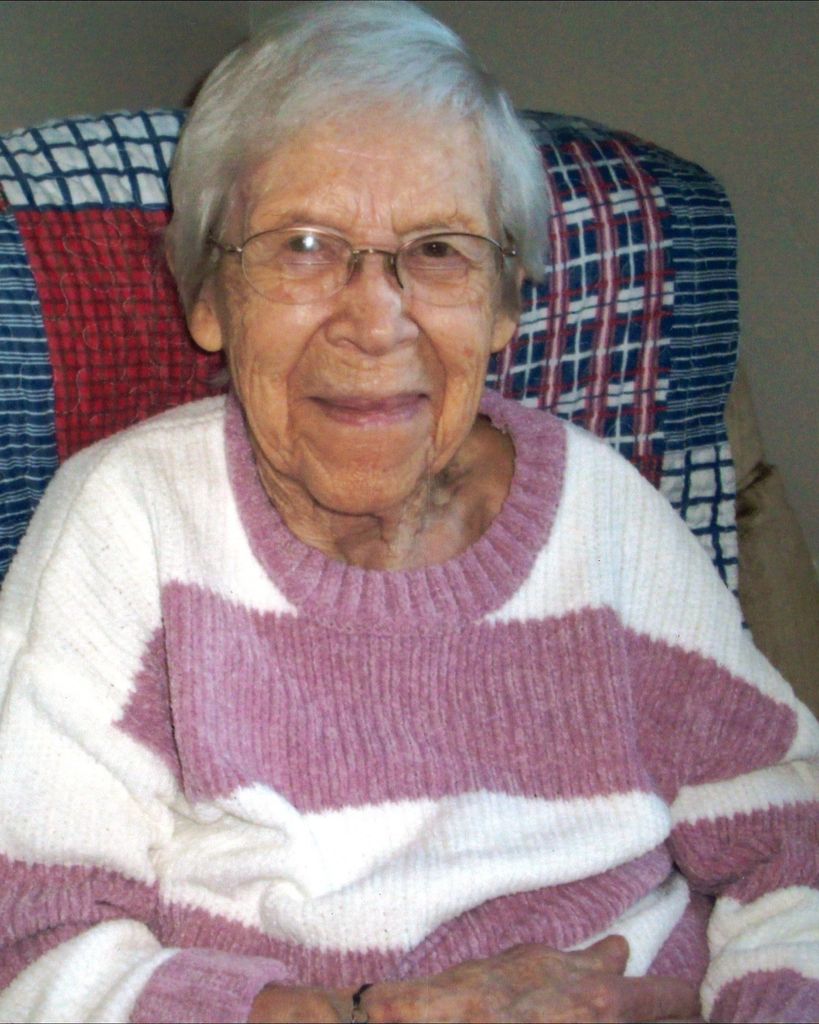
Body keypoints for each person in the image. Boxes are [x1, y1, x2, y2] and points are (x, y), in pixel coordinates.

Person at [0, 2, 816, 1022]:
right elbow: (33, 942)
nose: (375, 321)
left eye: (437, 249)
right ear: (210, 296)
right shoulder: (129, 524)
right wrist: (357, 1016)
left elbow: (794, 845)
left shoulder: (606, 515)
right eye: (304, 245)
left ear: (505, 302)